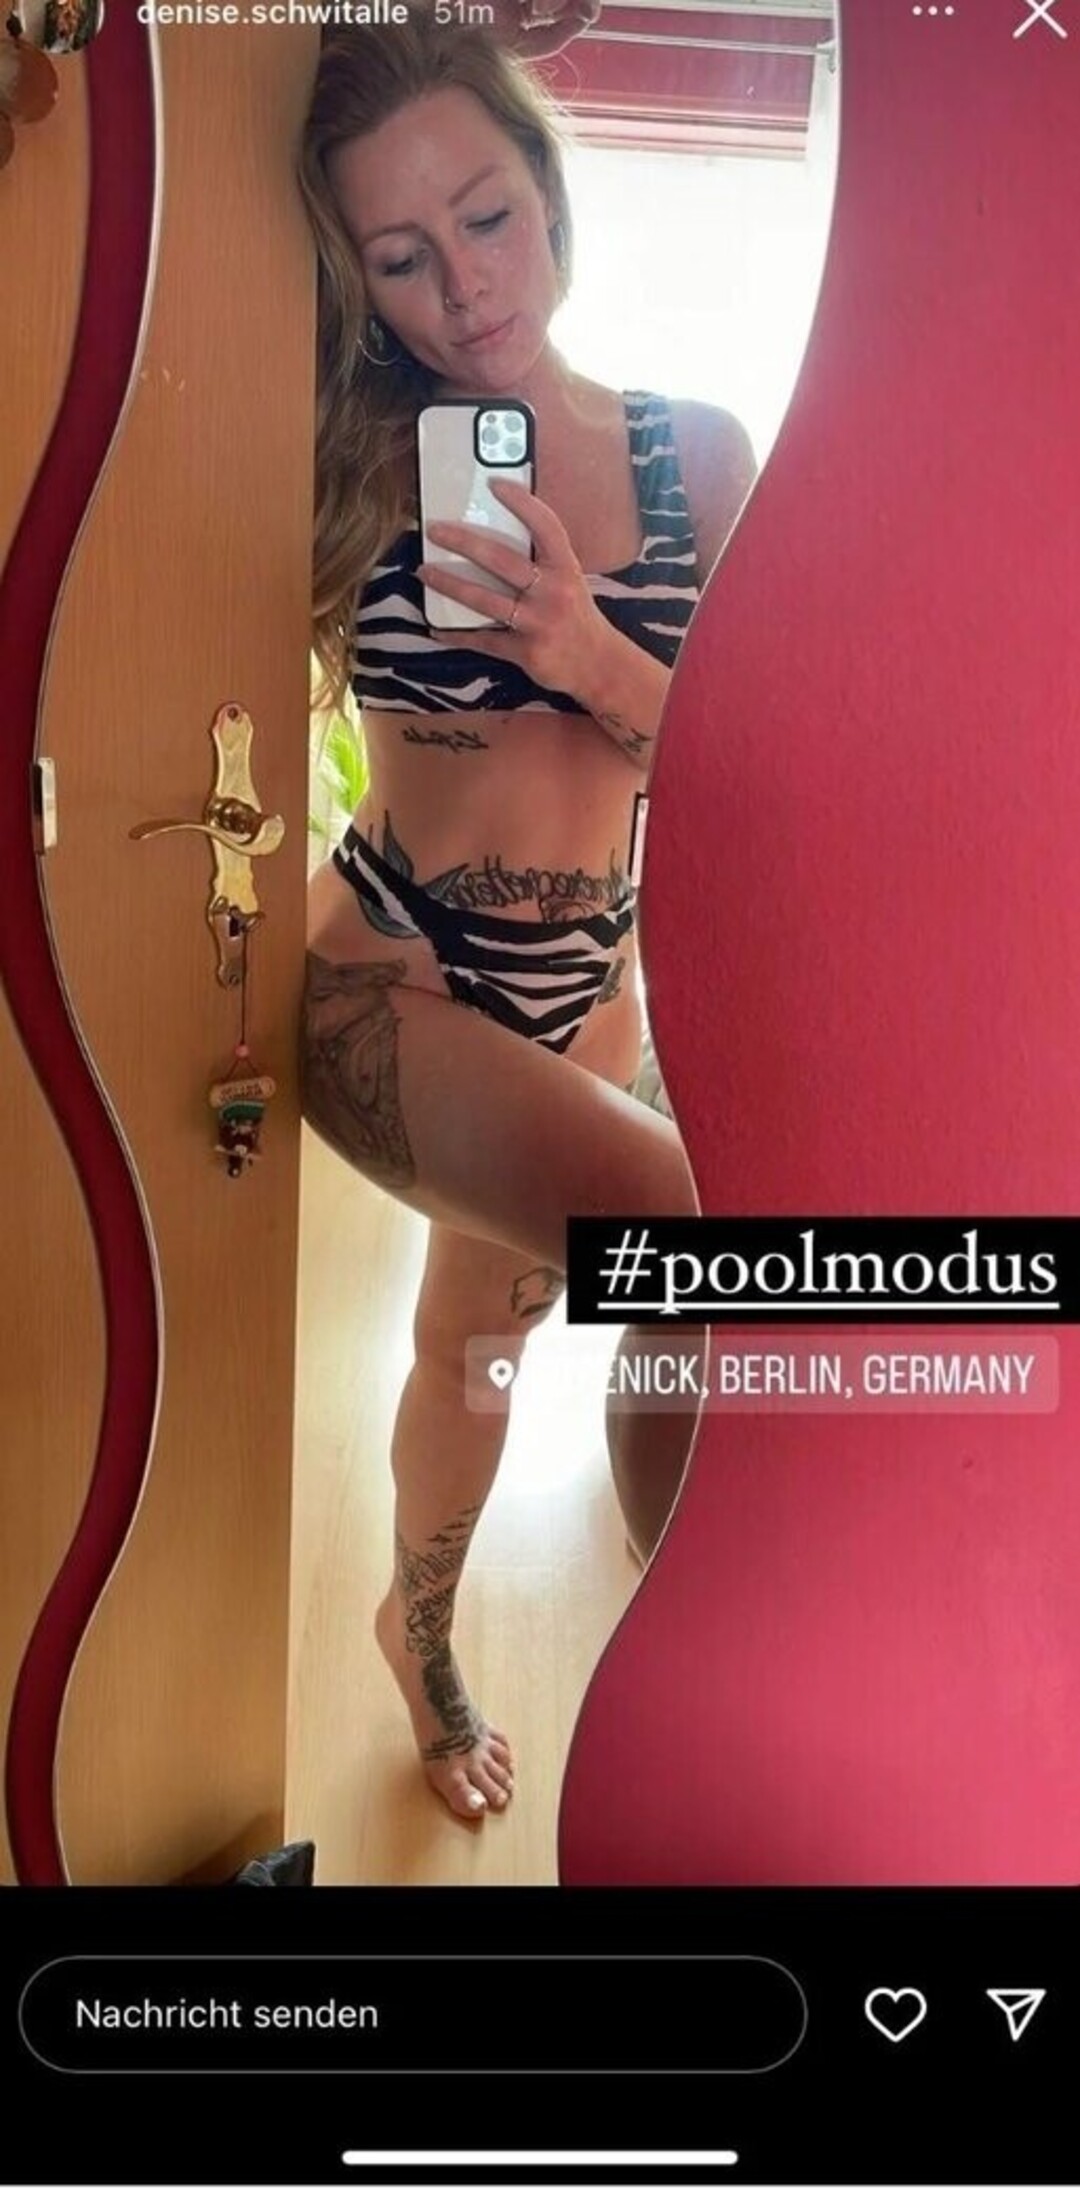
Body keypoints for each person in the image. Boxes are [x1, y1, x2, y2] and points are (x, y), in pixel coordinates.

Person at [297, 11, 756, 1822]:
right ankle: (686, 1645)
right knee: (690, 1243)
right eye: (401, 255)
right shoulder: (338, 467)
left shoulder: (696, 454)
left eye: (485, 217)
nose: (464, 287)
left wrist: (582, 647)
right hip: (392, 981)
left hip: (595, 996)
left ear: (549, 196)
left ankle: (411, 1631)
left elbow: (743, 773)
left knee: (475, 1346)